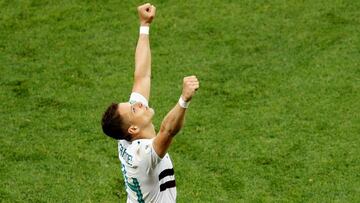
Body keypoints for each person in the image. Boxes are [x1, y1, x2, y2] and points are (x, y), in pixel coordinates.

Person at [101, 3, 199, 203]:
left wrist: (144, 26)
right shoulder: (142, 156)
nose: (136, 103)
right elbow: (168, 131)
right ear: (134, 128)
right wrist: (184, 100)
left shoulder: (126, 134)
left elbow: (142, 75)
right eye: (133, 109)